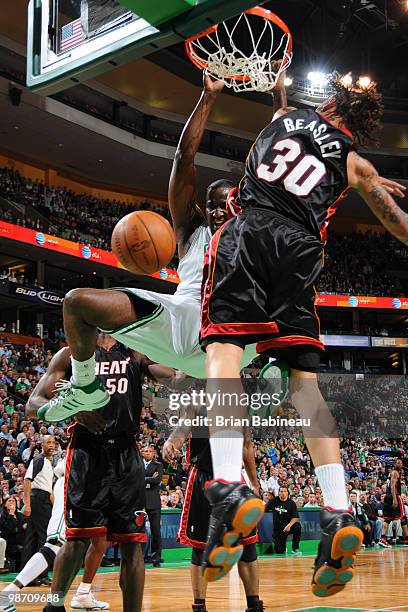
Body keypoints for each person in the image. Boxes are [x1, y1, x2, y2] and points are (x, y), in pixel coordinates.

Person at [198, 64, 408, 597]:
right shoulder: (355, 162)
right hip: (300, 251)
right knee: (304, 386)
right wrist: (364, 176)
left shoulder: (288, 116)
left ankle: (226, 484)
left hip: (251, 230)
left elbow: (282, 118)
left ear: (329, 105)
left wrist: (280, 84)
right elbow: (395, 223)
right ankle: (338, 512)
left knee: (224, 351)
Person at [37, 73, 257, 424]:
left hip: (232, 337)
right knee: (76, 302)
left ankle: (279, 364)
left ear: (240, 206)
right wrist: (209, 96)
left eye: (225, 204)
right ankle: (85, 387)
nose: (217, 211)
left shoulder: (253, 238)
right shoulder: (192, 230)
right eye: (211, 204)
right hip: (181, 319)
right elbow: (183, 158)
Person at [32, 334, 147, 612]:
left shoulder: (135, 352)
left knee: (132, 543)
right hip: (86, 450)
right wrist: (73, 410)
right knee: (77, 539)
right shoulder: (70, 354)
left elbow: (174, 376)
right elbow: (34, 402)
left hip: (125, 451)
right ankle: (54, 606)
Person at [162, 405, 264, 612]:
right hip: (203, 476)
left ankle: (254, 604)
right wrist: (172, 442)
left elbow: (246, 445)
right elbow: (183, 428)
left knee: (247, 545)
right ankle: (199, 606)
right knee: (200, 547)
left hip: (235, 476)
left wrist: (254, 483)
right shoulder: (196, 403)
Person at [1, 457, 109, 611]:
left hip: (93, 487)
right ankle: (7, 595)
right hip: (73, 482)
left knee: (86, 543)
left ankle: (83, 594)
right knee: (55, 543)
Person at [21, 436, 56, 586]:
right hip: (38, 501)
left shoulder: (49, 462)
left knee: (32, 538)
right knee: (45, 538)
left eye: (53, 443)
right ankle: (42, 574)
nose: (51, 445)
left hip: (43, 500)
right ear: (42, 445)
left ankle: (27, 576)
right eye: (48, 442)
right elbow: (27, 480)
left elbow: (49, 489)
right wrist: (27, 504)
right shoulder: (39, 459)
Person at [142, 446, 163, 568]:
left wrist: (143, 479)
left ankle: (156, 557)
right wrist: (149, 479)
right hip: (139, 501)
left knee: (156, 530)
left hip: (154, 501)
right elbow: (134, 479)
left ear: (153, 453)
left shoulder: (158, 465)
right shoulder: (137, 464)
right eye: (145, 451)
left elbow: (157, 480)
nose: (148, 453)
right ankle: (140, 556)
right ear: (142, 452)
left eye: (150, 451)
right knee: (138, 530)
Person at [379, 458, 408, 547]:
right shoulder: (395, 472)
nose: (400, 464)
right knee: (403, 517)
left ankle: (382, 538)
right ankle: (406, 538)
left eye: (401, 463)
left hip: (388, 496)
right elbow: (392, 486)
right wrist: (395, 499)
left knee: (388, 518)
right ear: (395, 464)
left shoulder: (393, 472)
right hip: (394, 496)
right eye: (398, 463)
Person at [265, 486, 302, 555]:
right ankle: (282, 547)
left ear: (287, 493)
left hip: (288, 527)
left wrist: (289, 526)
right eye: (281, 491)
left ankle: (295, 548)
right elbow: (263, 509)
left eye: (285, 491)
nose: (283, 493)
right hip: (278, 530)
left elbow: (295, 517)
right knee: (279, 551)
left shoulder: (291, 503)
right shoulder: (273, 501)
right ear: (278, 493)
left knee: (297, 527)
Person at [0, 497, 26, 570]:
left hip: (21, 541)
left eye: (13, 501)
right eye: (9, 501)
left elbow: (24, 526)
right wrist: (11, 514)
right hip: (10, 542)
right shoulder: (2, 516)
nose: (11, 502)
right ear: (5, 504)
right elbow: (9, 529)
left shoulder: (20, 515)